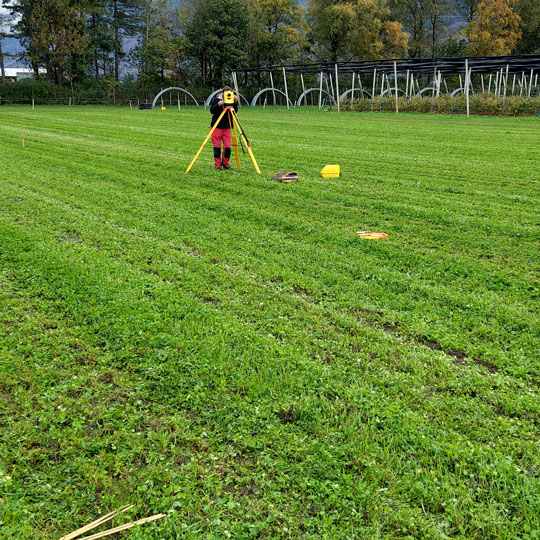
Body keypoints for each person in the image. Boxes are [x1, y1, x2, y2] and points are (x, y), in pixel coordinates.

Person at [209, 86, 239, 170]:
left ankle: (226, 163)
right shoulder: (216, 99)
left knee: (227, 147)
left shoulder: (232, 100)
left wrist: (235, 102)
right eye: (225, 93)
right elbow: (212, 111)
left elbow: (235, 112)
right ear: (222, 93)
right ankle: (217, 165)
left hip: (227, 126)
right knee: (217, 147)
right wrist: (218, 104)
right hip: (217, 126)